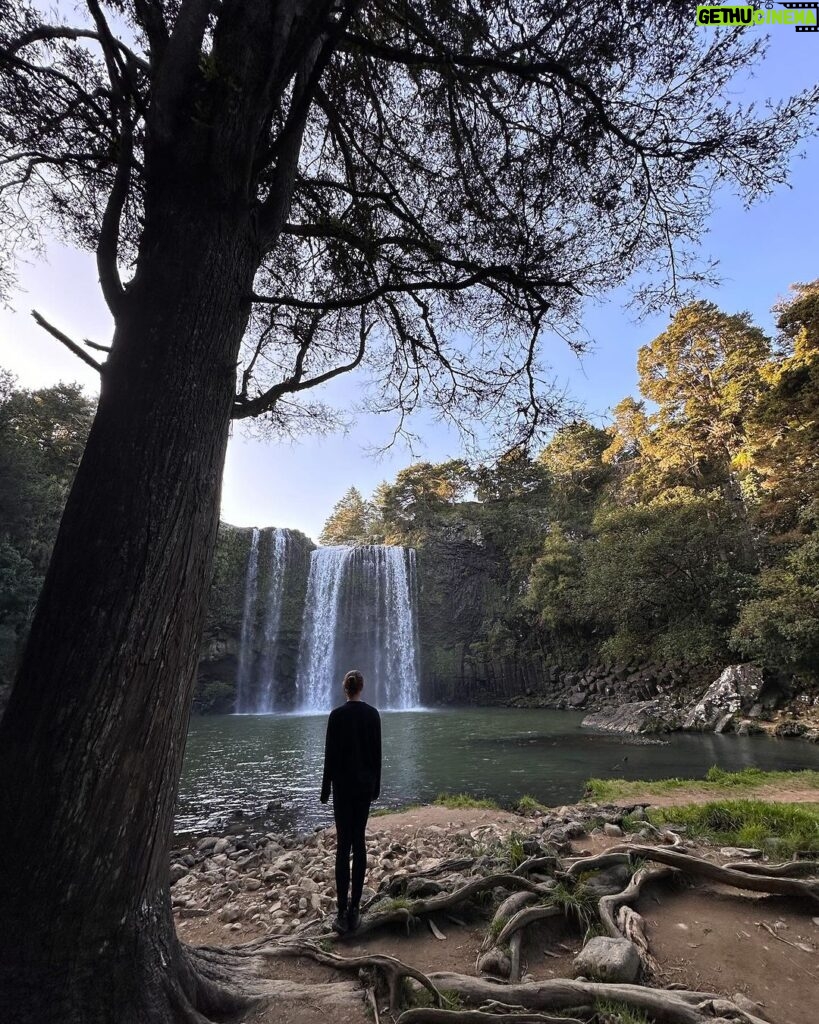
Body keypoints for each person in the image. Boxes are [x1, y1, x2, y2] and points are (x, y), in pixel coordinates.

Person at [320, 669, 382, 933]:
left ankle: (341, 911)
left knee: (343, 845)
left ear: (345, 688)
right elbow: (377, 755)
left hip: (342, 788)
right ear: (362, 687)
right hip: (364, 788)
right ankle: (356, 908)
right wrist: (376, 787)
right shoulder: (372, 715)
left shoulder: (336, 715)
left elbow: (330, 756)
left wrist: (325, 791)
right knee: (359, 841)